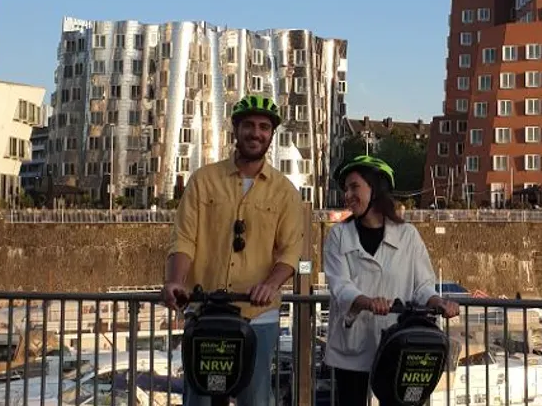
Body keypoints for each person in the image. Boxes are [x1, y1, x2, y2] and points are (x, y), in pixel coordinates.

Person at [162, 94, 304, 406]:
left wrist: (269, 285)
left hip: (257, 314)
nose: (256, 133)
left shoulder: (285, 192)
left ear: (271, 135)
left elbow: (290, 251)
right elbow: (185, 238)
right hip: (204, 310)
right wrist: (175, 280)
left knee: (255, 396)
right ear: (236, 130)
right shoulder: (203, 180)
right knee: (198, 395)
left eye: (264, 127)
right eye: (249, 125)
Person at [322, 155, 460, 405]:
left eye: (354, 187)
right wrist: (366, 301)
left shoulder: (408, 235)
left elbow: (422, 285)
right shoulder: (338, 236)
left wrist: (438, 302)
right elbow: (339, 285)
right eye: (345, 189)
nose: (347, 195)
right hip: (353, 345)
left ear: (377, 189)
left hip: (398, 344)